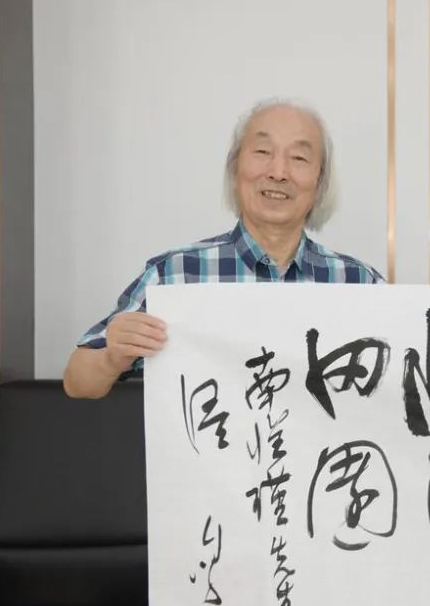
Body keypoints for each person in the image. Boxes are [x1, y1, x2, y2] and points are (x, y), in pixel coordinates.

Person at [63, 99, 383, 399]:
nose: (278, 172)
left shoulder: (359, 282)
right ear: (234, 169)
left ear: (320, 181)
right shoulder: (175, 275)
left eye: (299, 158)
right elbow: (77, 383)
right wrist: (111, 358)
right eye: (262, 151)